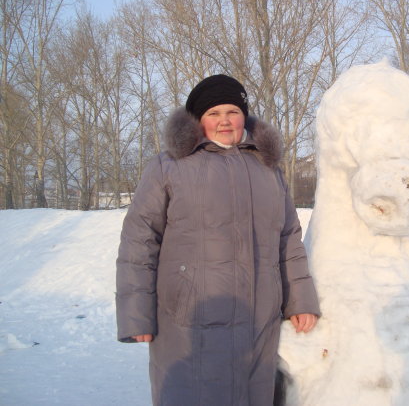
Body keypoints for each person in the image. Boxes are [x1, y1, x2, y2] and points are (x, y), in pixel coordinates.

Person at [116, 74, 320, 405]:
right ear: (198, 119)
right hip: (189, 318)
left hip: (259, 318)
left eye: (232, 112)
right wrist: (136, 314)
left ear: (244, 116)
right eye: (213, 113)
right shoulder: (168, 166)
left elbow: (288, 239)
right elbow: (139, 240)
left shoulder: (268, 168)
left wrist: (301, 301)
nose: (224, 121)